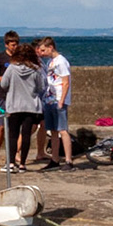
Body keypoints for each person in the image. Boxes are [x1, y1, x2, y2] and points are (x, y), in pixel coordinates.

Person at [0, 43, 43, 174]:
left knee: (13, 135)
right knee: (26, 135)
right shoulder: (36, 69)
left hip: (14, 106)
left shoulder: (12, 68)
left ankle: (11, 163)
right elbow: (40, 87)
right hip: (31, 106)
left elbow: (3, 84)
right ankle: (22, 163)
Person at [0, 30, 22, 166]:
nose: (15, 47)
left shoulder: (20, 58)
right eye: (12, 45)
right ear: (7, 45)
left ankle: (14, 154)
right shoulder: (0, 58)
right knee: (1, 127)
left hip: (18, 96)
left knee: (16, 127)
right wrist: (7, 78)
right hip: (4, 96)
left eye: (16, 44)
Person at [37, 37, 72, 169]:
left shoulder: (61, 62)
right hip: (49, 99)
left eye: (43, 50)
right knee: (53, 131)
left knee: (62, 129)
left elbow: (65, 82)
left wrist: (62, 100)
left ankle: (68, 160)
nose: (42, 53)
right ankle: (55, 158)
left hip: (58, 99)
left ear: (50, 47)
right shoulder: (51, 62)